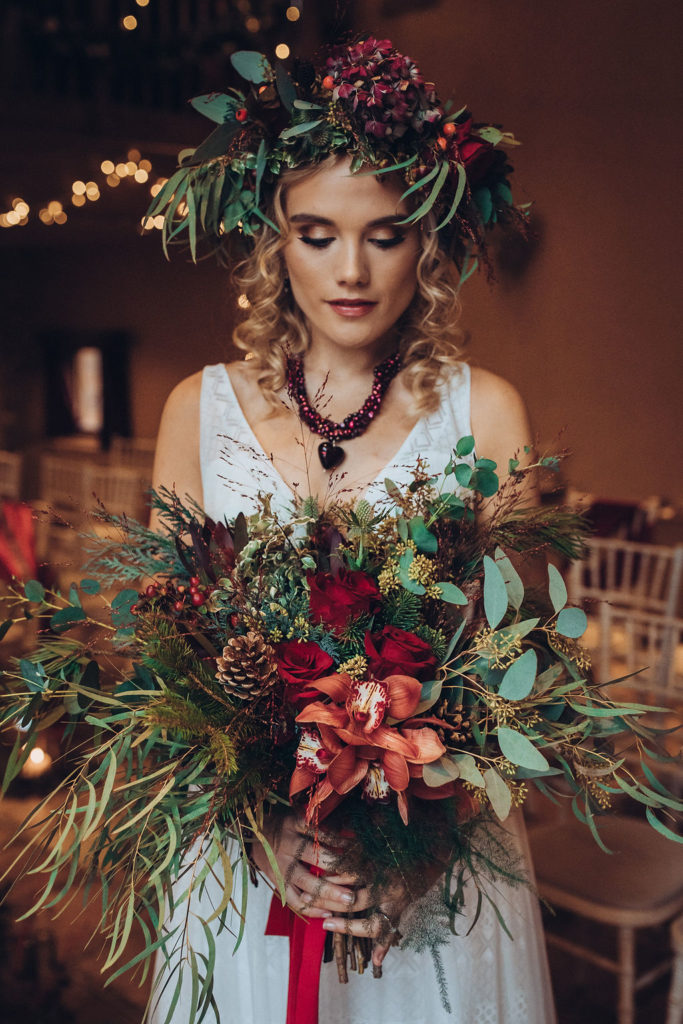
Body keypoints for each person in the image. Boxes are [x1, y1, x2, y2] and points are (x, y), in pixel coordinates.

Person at [149, 36, 556, 1024]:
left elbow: (526, 673)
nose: (351, 268)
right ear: (272, 240)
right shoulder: (192, 412)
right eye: (316, 232)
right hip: (249, 877)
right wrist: (263, 831)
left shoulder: (486, 412)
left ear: (427, 239)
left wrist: (415, 850)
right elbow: (160, 671)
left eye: (385, 232)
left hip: (435, 873)